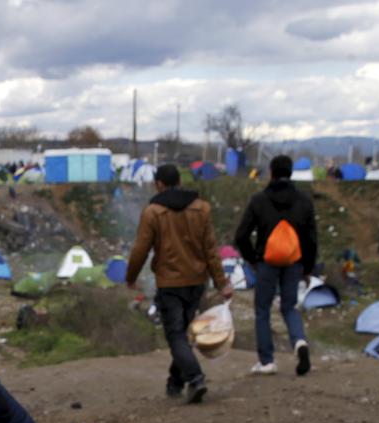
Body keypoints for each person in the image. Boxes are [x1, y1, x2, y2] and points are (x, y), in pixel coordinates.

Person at [125, 163, 233, 403]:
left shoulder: (153, 212)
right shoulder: (201, 208)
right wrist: (221, 283)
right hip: (196, 281)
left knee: (176, 335)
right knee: (184, 333)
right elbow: (211, 250)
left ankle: (195, 378)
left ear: (159, 184)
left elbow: (141, 249)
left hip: (170, 283)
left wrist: (131, 277)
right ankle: (175, 382)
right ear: (180, 181)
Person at [234, 155, 317, 376]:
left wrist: (253, 259)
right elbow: (311, 240)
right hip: (294, 262)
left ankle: (267, 361)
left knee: (262, 309)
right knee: (289, 307)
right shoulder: (304, 201)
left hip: (266, 263)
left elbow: (241, 235)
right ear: (291, 172)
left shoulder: (259, 200)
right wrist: (307, 268)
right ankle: (299, 342)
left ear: (271, 172)